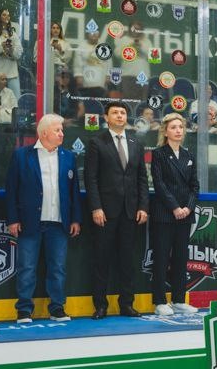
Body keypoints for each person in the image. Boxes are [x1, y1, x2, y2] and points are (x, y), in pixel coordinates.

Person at [5, 113, 82, 322]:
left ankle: (57, 308)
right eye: (58, 130)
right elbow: (11, 190)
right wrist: (13, 219)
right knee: (27, 267)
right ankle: (24, 309)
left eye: (62, 130)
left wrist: (75, 219)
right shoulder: (22, 155)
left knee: (58, 268)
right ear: (44, 133)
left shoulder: (68, 156)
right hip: (29, 221)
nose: (62, 133)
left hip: (59, 222)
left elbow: (74, 191)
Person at [85, 101, 149, 319]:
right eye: (115, 113)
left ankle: (127, 304)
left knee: (127, 261)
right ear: (106, 117)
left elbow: (142, 178)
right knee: (101, 260)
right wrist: (96, 207)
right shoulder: (96, 142)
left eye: (123, 112)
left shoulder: (135, 143)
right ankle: (100, 306)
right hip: (105, 212)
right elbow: (91, 179)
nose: (120, 116)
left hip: (130, 212)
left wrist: (143, 206)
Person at [149, 113, 200, 316]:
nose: (178, 130)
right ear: (165, 131)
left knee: (181, 258)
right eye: (173, 127)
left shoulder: (189, 155)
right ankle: (159, 301)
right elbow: (159, 184)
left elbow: (194, 186)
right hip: (165, 214)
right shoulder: (159, 154)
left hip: (185, 215)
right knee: (161, 258)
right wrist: (175, 207)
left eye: (180, 127)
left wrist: (188, 207)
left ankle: (179, 300)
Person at [72, 30, 107, 100]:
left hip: (100, 80)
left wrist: (108, 75)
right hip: (86, 80)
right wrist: (78, 75)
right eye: (91, 32)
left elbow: (108, 62)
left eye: (96, 33)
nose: (93, 34)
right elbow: (77, 63)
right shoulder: (81, 46)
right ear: (87, 34)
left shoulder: (104, 46)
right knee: (86, 101)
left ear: (99, 34)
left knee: (99, 102)